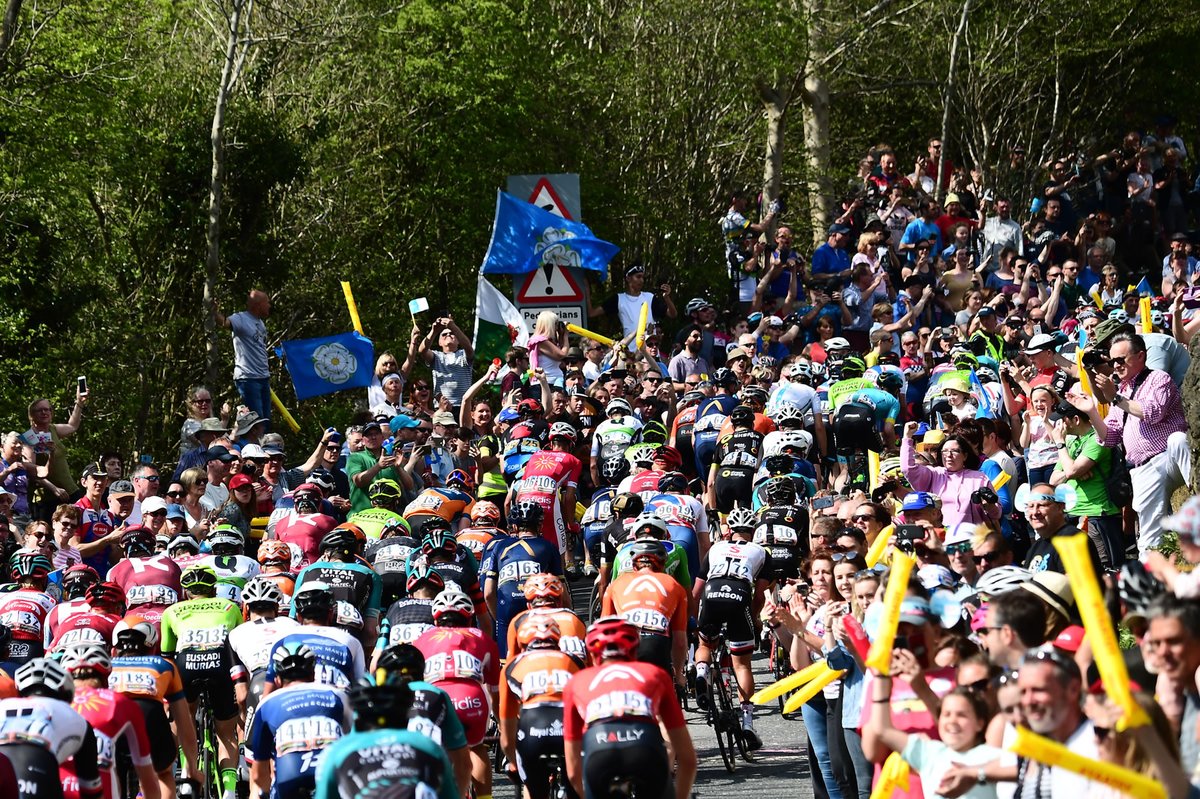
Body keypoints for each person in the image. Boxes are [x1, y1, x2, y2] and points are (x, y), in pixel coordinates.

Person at [562, 616, 697, 799]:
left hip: (599, 752)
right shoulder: (654, 674)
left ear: (592, 654)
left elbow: (572, 770)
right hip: (644, 748)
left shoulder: (576, 681)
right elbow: (687, 759)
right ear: (635, 649)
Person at [1093, 330, 1190, 554]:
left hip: (1168, 456)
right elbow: (1108, 438)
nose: (1116, 365)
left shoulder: (1158, 378)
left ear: (1140, 356)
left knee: (1178, 440)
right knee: (1149, 542)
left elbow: (1153, 412)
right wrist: (1091, 411)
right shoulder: (1122, 391)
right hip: (1142, 469)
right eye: (1112, 361)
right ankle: (1152, 585)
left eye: (1121, 359)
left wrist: (1115, 398)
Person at [215, 289, 273, 427]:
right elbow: (224, 323)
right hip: (248, 378)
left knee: (266, 422)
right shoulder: (241, 319)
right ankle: (254, 447)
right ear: (258, 305)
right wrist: (213, 311)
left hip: (263, 377)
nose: (269, 306)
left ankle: (265, 447)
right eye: (267, 303)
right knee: (257, 422)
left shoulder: (260, 323)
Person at [420, 314, 474, 410]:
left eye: (451, 333)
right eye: (444, 334)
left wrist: (453, 326)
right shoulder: (436, 356)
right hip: (442, 407)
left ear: (458, 340)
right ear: (439, 342)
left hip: (463, 407)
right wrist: (434, 331)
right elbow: (422, 350)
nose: (448, 335)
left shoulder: (463, 354)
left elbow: (469, 348)